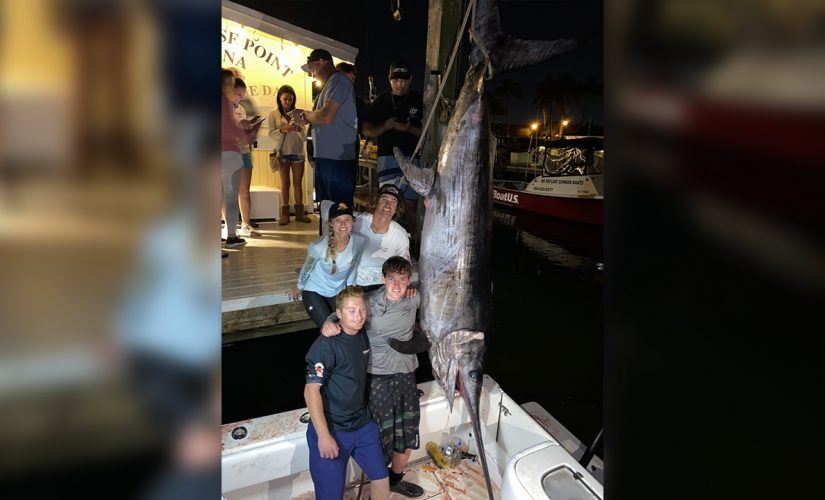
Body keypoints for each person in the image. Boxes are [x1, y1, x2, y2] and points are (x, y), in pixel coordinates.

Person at [320, 257, 428, 498]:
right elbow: (341, 312)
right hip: (376, 378)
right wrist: (327, 323)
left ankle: (396, 480)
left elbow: (443, 291)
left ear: (410, 280)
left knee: (409, 432)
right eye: (392, 279)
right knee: (381, 438)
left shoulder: (415, 296)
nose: (397, 285)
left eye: (402, 280)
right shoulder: (368, 302)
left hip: (406, 375)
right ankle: (377, 483)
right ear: (383, 279)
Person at [304, 286, 390, 500]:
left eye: (361, 310)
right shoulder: (325, 345)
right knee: (331, 496)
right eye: (351, 311)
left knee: (382, 480)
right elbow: (310, 391)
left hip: (362, 425)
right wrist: (323, 436)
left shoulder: (361, 334)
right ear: (339, 313)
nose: (359, 316)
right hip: (332, 429)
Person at [362, 60, 424, 243]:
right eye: (396, 80)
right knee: (386, 204)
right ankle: (382, 242)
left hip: (412, 158)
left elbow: (427, 133)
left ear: (411, 79)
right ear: (389, 80)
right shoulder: (380, 101)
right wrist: (384, 127)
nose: (400, 84)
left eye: (404, 80)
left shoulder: (419, 101)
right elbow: (367, 129)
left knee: (412, 206)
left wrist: (409, 129)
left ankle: (414, 247)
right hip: (387, 158)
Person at [291, 49, 359, 208]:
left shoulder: (339, 80)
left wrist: (304, 114)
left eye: (312, 69)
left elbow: (326, 116)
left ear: (323, 61)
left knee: (339, 213)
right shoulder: (329, 87)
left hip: (337, 159)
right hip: (326, 158)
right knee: (326, 210)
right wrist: (305, 118)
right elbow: (320, 117)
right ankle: (326, 234)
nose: (312, 75)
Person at [291, 202, 366, 326]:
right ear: (331, 223)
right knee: (330, 326)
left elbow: (354, 266)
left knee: (347, 324)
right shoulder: (317, 246)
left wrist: (351, 287)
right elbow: (307, 267)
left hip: (338, 291)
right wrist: (299, 286)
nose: (343, 224)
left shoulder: (359, 242)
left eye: (347, 219)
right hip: (314, 291)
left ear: (353, 222)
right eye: (338, 220)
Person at [267, 84, 311, 226]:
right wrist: (282, 130)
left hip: (297, 152)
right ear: (279, 98)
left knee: (298, 183)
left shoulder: (299, 114)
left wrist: (298, 129)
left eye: (290, 100)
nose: (288, 102)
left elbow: (305, 137)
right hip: (282, 152)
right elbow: (270, 134)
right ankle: (285, 214)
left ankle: (300, 214)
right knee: (285, 183)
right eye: (285, 99)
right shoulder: (273, 114)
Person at [353, 184, 410, 292]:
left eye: (393, 202)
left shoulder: (400, 235)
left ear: (397, 209)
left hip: (382, 287)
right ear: (376, 202)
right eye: (384, 199)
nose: (388, 205)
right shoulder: (357, 222)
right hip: (355, 284)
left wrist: (408, 285)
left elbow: (404, 266)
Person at [227, 67, 261, 238]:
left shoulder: (242, 107)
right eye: (238, 93)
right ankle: (230, 230)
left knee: (244, 190)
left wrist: (250, 130)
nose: (240, 97)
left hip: (244, 151)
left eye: (242, 94)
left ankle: (246, 225)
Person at [221, 69, 252, 249]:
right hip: (228, 153)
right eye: (232, 84)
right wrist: (248, 135)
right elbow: (231, 131)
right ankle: (231, 237)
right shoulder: (224, 103)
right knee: (230, 196)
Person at [335, 61, 368, 160]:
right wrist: (311, 155)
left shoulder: (358, 103)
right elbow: (314, 128)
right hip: (328, 155)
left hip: (350, 154)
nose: (349, 83)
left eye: (352, 79)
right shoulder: (323, 98)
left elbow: (363, 126)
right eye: (345, 79)